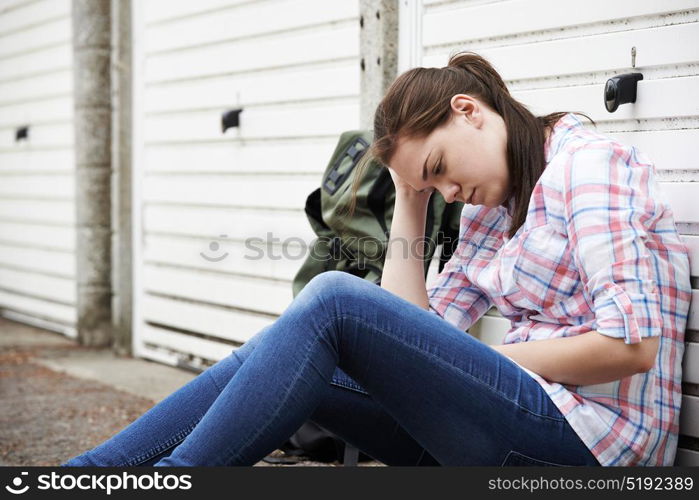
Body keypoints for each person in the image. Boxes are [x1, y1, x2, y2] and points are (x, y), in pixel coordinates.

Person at [60, 51, 692, 467]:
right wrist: (409, 201)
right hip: (501, 430)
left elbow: (628, 347)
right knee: (283, 346)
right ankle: (90, 476)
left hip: (589, 450)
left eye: (439, 169)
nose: (447, 191)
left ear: (468, 112)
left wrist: (488, 361)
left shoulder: (589, 168)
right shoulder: (488, 213)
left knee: (333, 299)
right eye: (429, 184)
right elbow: (419, 334)